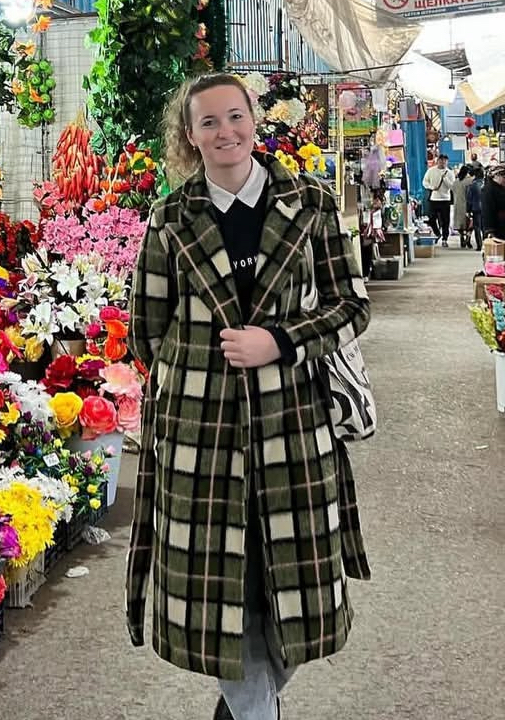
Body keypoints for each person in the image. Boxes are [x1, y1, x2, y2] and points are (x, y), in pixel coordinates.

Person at [127, 72, 372, 720]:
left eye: (234, 116)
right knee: (224, 592)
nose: (224, 131)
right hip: (198, 439)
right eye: (208, 121)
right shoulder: (171, 220)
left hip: (293, 426)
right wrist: (201, 378)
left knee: (291, 590)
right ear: (190, 134)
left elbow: (351, 307)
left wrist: (281, 342)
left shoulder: (311, 204)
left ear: (254, 120)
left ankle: (241, 709)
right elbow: (147, 331)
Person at [422, 153, 455, 247]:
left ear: (447, 162)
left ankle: (445, 239)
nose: (443, 163)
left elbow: (452, 186)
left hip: (445, 199)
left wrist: (445, 179)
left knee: (446, 221)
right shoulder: (431, 171)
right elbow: (425, 181)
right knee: (431, 218)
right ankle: (437, 233)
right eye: (441, 161)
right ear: (438, 161)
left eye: (445, 161)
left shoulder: (450, 173)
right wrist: (431, 187)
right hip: (434, 198)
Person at [481, 165, 505, 243]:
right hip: (498, 229)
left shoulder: (501, 188)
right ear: (496, 176)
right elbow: (487, 211)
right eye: (504, 177)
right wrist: (490, 231)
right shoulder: (489, 190)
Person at [359, 188, 386, 278]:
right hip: (367, 227)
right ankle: (366, 272)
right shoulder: (367, 194)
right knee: (366, 250)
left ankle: (366, 272)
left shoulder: (375, 204)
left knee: (367, 250)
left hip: (370, 229)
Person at [452, 165, 471, 249]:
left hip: (457, 205)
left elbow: (452, 192)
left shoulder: (455, 182)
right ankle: (468, 239)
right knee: (469, 224)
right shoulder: (469, 181)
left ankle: (461, 237)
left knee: (460, 224)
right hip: (467, 205)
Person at [466, 165, 485, 251]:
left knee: (477, 227)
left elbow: (469, 199)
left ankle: (479, 245)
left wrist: (468, 210)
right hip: (485, 208)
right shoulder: (486, 184)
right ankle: (486, 244)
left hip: (476, 208)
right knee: (484, 227)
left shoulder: (472, 185)